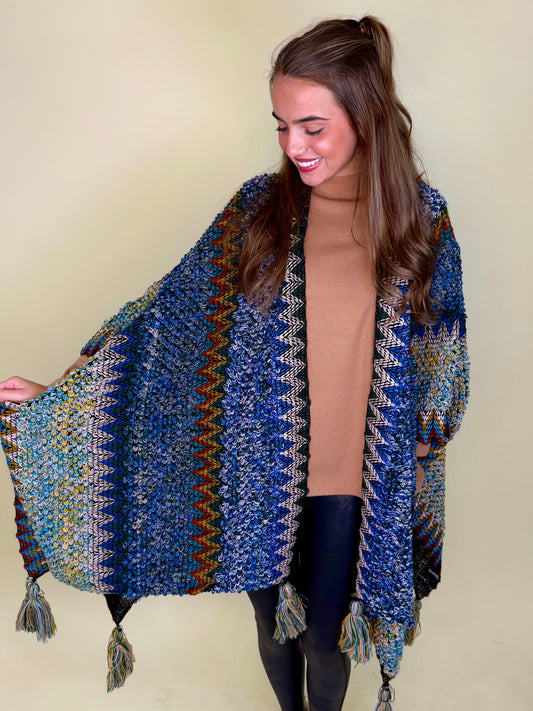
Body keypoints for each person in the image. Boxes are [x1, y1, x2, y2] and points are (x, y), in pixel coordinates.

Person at [0, 15, 469, 711]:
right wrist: (62, 392)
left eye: (312, 126)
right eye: (281, 126)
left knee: (324, 638)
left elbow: (442, 355)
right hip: (257, 467)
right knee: (273, 628)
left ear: (365, 114)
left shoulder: (418, 221)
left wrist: (419, 450)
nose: (293, 145)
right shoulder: (260, 209)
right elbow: (160, 314)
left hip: (355, 480)